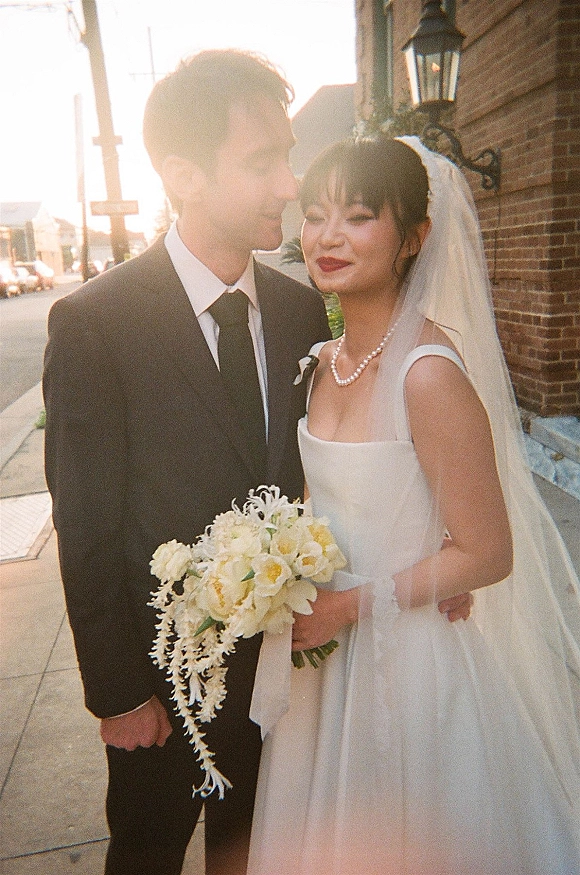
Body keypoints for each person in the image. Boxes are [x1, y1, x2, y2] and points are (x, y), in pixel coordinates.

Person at [247, 135, 580, 874]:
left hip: (406, 662)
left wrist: (348, 606)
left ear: (414, 237)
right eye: (316, 215)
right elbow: (324, 502)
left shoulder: (427, 375)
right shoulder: (321, 363)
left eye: (359, 216)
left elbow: (488, 552)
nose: (328, 236)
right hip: (321, 659)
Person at [42, 49, 333, 875]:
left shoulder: (300, 308)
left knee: (253, 852)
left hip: (281, 675)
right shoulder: (96, 323)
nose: (289, 185)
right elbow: (86, 524)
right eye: (262, 162)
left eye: (287, 158)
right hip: (161, 684)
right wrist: (117, 691)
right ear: (184, 175)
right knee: (147, 853)